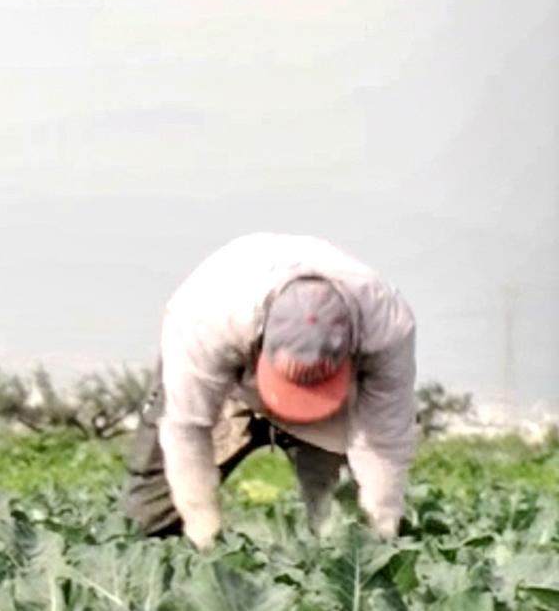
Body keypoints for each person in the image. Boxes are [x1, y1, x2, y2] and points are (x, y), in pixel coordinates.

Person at [122, 233, 418, 548]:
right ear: (260, 340)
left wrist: (379, 535)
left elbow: (384, 443)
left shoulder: (388, 327)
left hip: (335, 405)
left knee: (343, 523)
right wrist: (202, 526)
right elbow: (187, 427)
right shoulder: (208, 317)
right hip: (227, 382)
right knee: (148, 522)